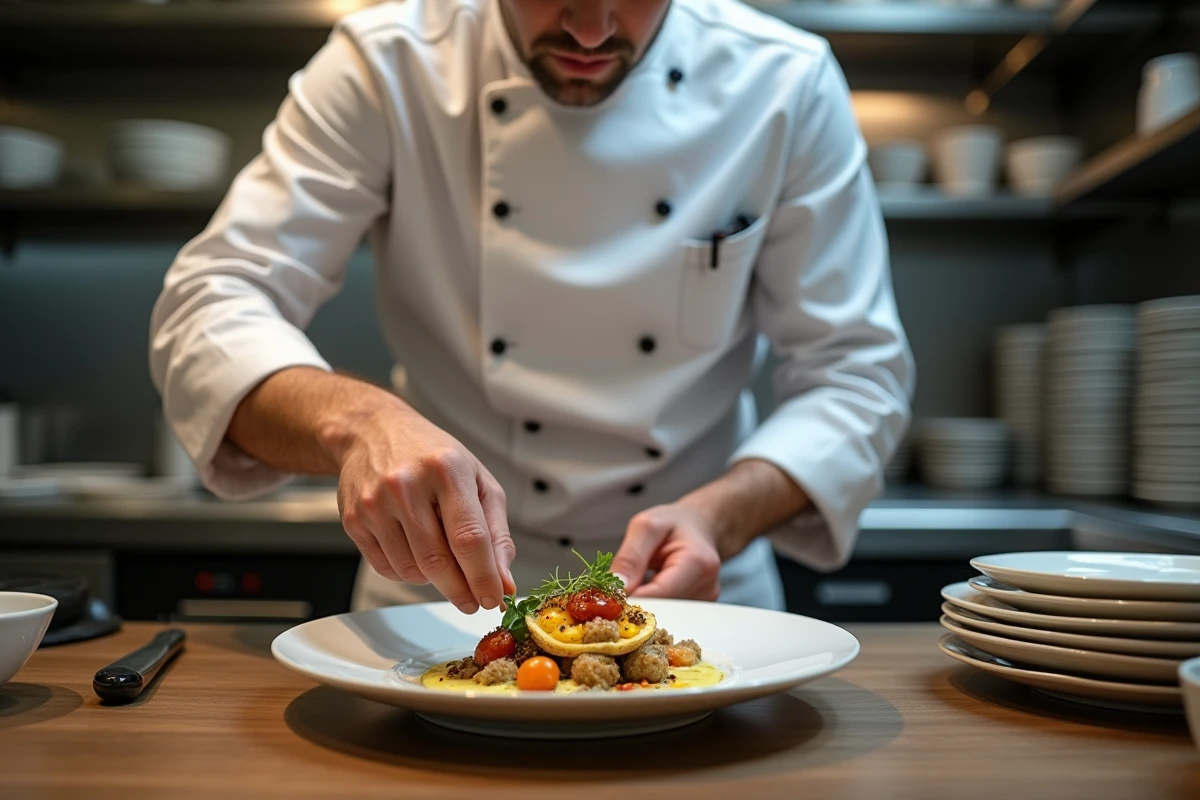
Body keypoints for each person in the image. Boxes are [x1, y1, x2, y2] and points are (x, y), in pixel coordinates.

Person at [149, 0, 914, 616]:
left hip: (696, 593)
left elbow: (856, 376)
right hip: (439, 595)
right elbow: (209, 304)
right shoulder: (387, 64)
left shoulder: (783, 82)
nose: (592, 29)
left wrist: (721, 516)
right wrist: (359, 425)